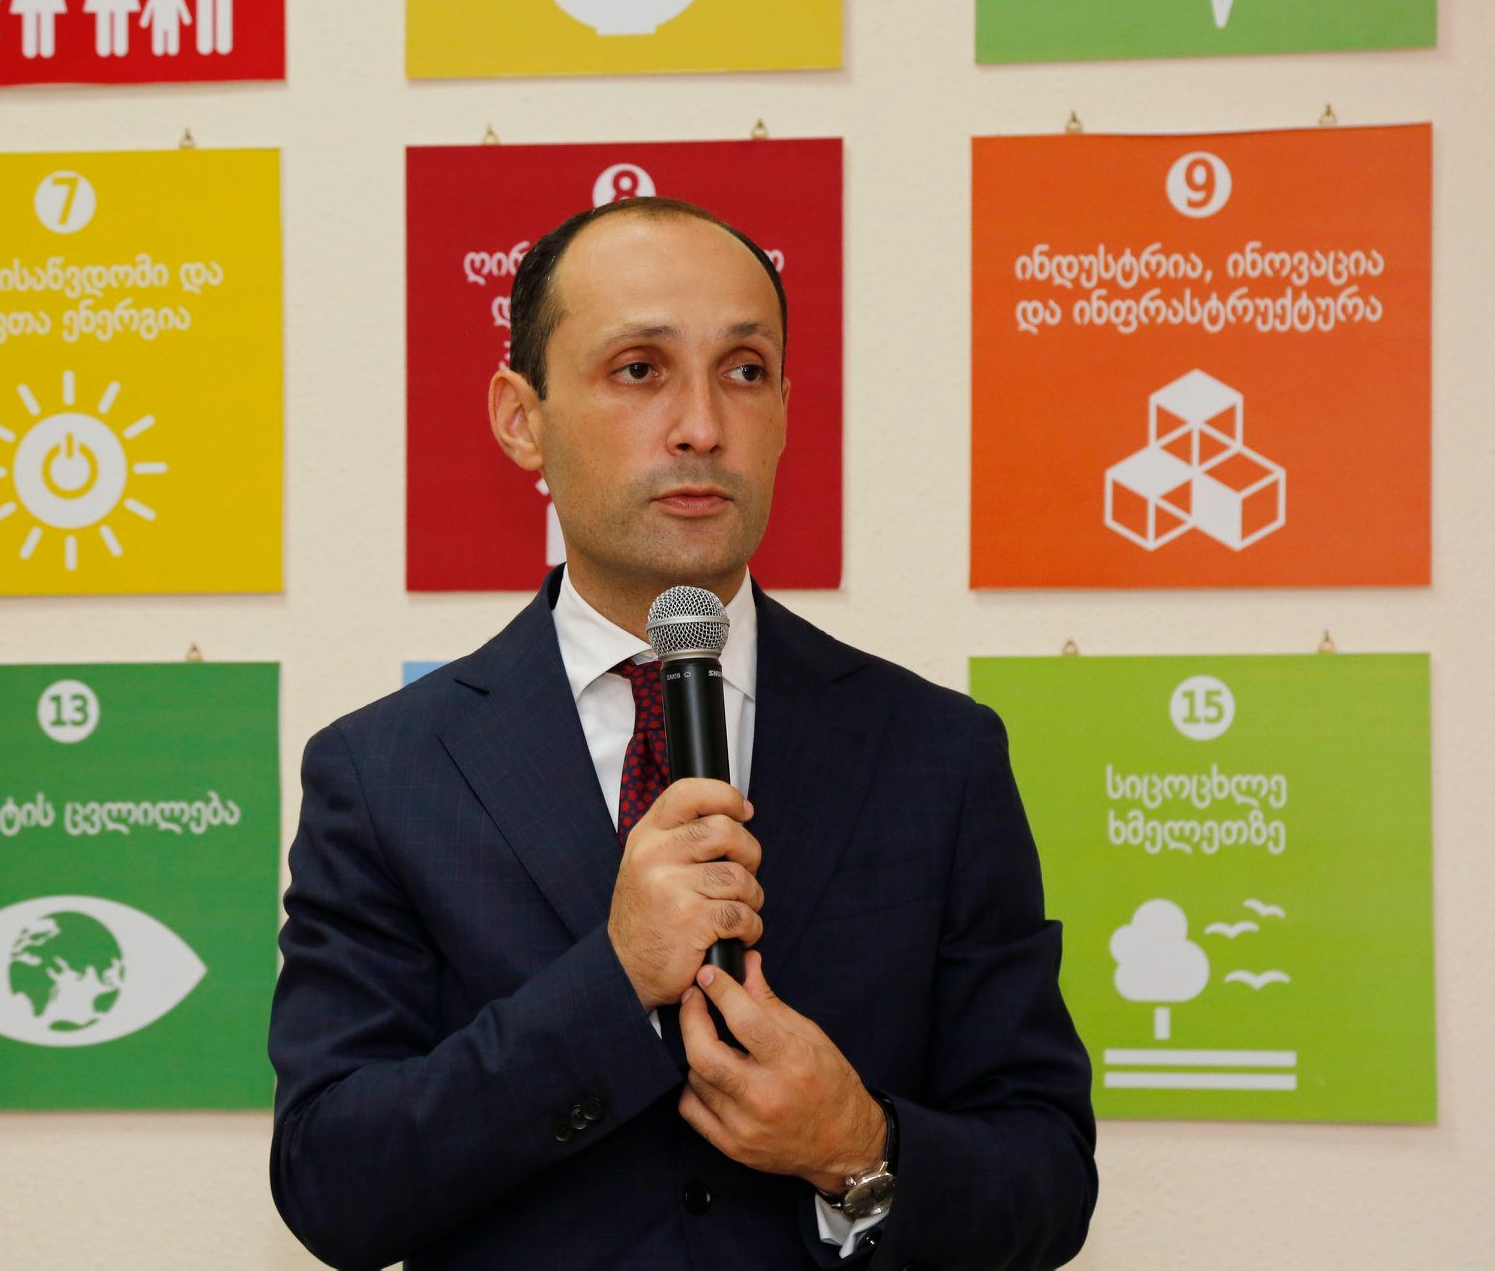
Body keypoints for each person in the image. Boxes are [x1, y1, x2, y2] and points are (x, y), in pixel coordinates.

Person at [269, 196, 1097, 1270]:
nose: (702, 425)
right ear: (522, 417)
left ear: (785, 411)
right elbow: (334, 1186)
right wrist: (611, 982)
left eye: (745, 370)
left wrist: (857, 1147)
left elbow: (1048, 1179)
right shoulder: (386, 772)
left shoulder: (938, 753)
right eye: (639, 369)